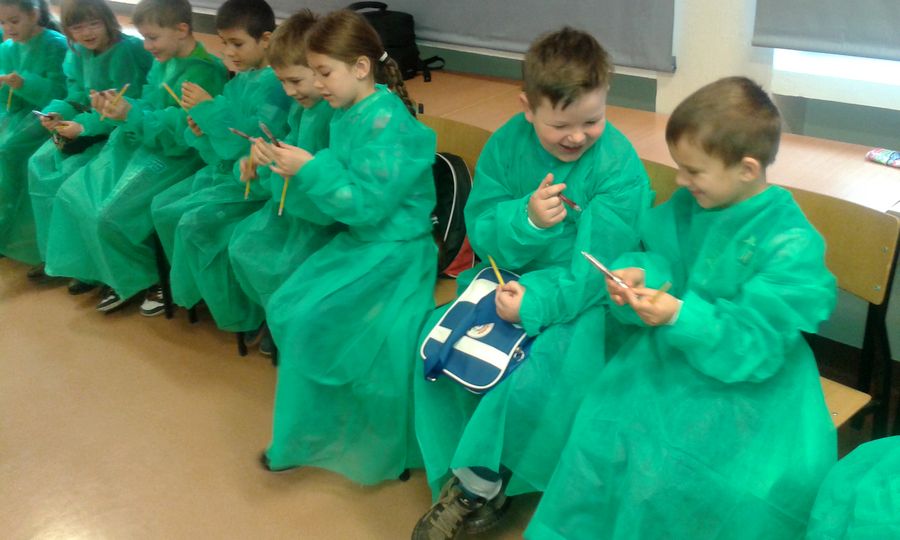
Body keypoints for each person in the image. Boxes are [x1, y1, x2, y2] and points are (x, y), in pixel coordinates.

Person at [525, 77, 838, 540]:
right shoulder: (695, 203)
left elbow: (752, 343)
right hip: (672, 356)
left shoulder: (790, 243)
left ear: (747, 169)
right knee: (601, 433)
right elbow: (663, 258)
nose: (680, 181)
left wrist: (677, 314)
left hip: (754, 384)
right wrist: (640, 278)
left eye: (693, 171)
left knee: (685, 476)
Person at [412, 28, 651, 540]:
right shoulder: (506, 145)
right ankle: (467, 464)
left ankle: (477, 487)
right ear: (527, 107)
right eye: (560, 125)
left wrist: (536, 302)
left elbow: (600, 268)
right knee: (439, 343)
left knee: (533, 371)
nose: (577, 137)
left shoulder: (618, 165)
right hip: (508, 277)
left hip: (585, 300)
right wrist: (527, 220)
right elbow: (482, 229)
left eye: (592, 120)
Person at [259, 9, 436, 484]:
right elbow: (341, 203)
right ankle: (319, 425)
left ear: (360, 67)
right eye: (313, 74)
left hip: (397, 252)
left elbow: (366, 205)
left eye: (324, 73)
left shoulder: (388, 123)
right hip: (365, 244)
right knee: (292, 310)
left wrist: (310, 169)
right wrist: (297, 169)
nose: (318, 85)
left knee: (315, 320)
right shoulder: (347, 114)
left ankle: (348, 433)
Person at [43, 0, 227, 315]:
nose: (146, 46)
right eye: (144, 37)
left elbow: (182, 133)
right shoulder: (164, 60)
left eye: (152, 37)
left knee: (109, 213)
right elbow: (148, 102)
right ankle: (105, 270)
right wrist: (117, 108)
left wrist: (131, 113)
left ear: (182, 29)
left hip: (179, 156)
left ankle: (146, 277)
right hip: (144, 142)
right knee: (73, 193)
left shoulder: (203, 71)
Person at [148, 0, 292, 327]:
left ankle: (239, 313)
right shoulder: (238, 81)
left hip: (256, 182)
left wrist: (210, 112)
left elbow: (251, 142)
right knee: (163, 207)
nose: (228, 52)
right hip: (226, 172)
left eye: (237, 44)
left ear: (266, 40)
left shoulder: (278, 85)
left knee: (193, 223)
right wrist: (202, 130)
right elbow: (221, 149)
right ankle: (202, 290)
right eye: (224, 43)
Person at [227, 9, 341, 354]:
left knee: (286, 265)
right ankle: (276, 315)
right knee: (243, 247)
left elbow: (334, 193)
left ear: (321, 70)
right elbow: (288, 143)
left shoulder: (336, 114)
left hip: (323, 217)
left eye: (296, 81)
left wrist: (287, 166)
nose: (289, 91)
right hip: (295, 206)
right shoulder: (303, 108)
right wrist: (260, 159)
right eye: (282, 82)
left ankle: (291, 325)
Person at [27, 0, 152, 294]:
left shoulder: (127, 52)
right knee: (38, 164)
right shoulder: (78, 53)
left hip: (117, 133)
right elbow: (76, 95)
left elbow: (126, 108)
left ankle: (89, 266)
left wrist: (83, 127)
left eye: (94, 23)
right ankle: (59, 256)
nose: (87, 32)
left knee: (70, 179)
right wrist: (57, 113)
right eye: (78, 27)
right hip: (88, 125)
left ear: (109, 21)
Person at [0, 0, 66, 267]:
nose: (8, 28)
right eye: (2, 22)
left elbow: (60, 93)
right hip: (17, 116)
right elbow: (8, 103)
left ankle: (20, 235)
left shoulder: (55, 45)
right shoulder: (7, 48)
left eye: (14, 21)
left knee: (8, 151)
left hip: (45, 117)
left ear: (34, 15)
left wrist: (25, 83)